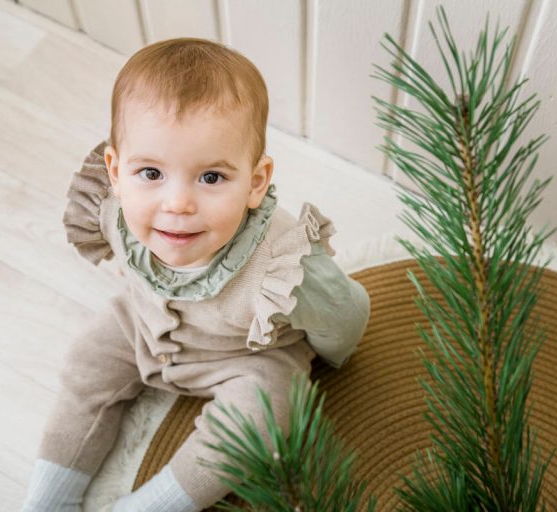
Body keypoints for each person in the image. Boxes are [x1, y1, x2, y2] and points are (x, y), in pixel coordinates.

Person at [21, 37, 370, 512]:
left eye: (211, 178)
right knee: (86, 362)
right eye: (150, 173)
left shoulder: (283, 261)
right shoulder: (114, 212)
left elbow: (346, 314)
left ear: (255, 182)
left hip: (246, 356)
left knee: (262, 420)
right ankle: (48, 497)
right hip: (140, 327)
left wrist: (331, 353)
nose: (178, 203)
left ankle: (152, 504)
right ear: (116, 171)